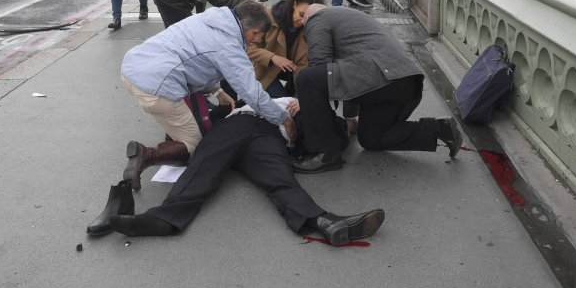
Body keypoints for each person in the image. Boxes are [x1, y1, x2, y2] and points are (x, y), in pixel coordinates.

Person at [108, 101, 385, 246]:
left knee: (280, 180)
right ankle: (162, 219)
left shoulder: (315, 124)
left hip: (270, 139)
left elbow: (330, 135)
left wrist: (342, 128)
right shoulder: (283, 98)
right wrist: (302, 107)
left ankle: (324, 221)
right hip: (240, 123)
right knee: (203, 170)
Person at [118, 0, 288, 190]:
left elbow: (199, 60)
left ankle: (174, 133)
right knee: (195, 145)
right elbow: (251, 92)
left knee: (185, 118)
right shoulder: (229, 44)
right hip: (157, 84)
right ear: (249, 27)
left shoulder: (214, 19)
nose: (256, 40)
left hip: (134, 67)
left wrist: (218, 90)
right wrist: (283, 118)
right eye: (256, 34)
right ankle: (147, 155)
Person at [291, 4, 463, 174]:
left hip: (381, 76)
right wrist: (350, 117)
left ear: (308, 16)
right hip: (404, 82)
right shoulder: (349, 18)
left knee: (307, 79)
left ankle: (325, 153)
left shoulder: (317, 18)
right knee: (371, 139)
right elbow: (345, 75)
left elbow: (320, 64)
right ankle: (438, 128)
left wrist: (307, 101)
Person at [249, 0, 323, 98]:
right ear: (294, 4)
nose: (302, 21)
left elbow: (302, 64)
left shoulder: (309, 27)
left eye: (308, 18)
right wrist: (273, 57)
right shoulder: (267, 17)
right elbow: (248, 47)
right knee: (284, 104)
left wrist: (302, 95)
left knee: (298, 103)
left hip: (290, 71)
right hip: (263, 69)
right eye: (301, 14)